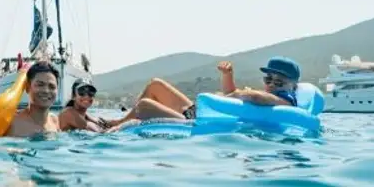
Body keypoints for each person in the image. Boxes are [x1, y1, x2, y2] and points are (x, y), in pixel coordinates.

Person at [107, 56, 303, 132]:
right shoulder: (276, 94)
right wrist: (228, 75)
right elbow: (233, 93)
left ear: (293, 86)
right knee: (156, 84)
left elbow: (256, 97)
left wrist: (242, 95)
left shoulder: (285, 101)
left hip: (198, 121)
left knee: (144, 106)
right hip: (198, 111)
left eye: (278, 82)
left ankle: (113, 128)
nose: (271, 85)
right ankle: (120, 123)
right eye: (268, 80)